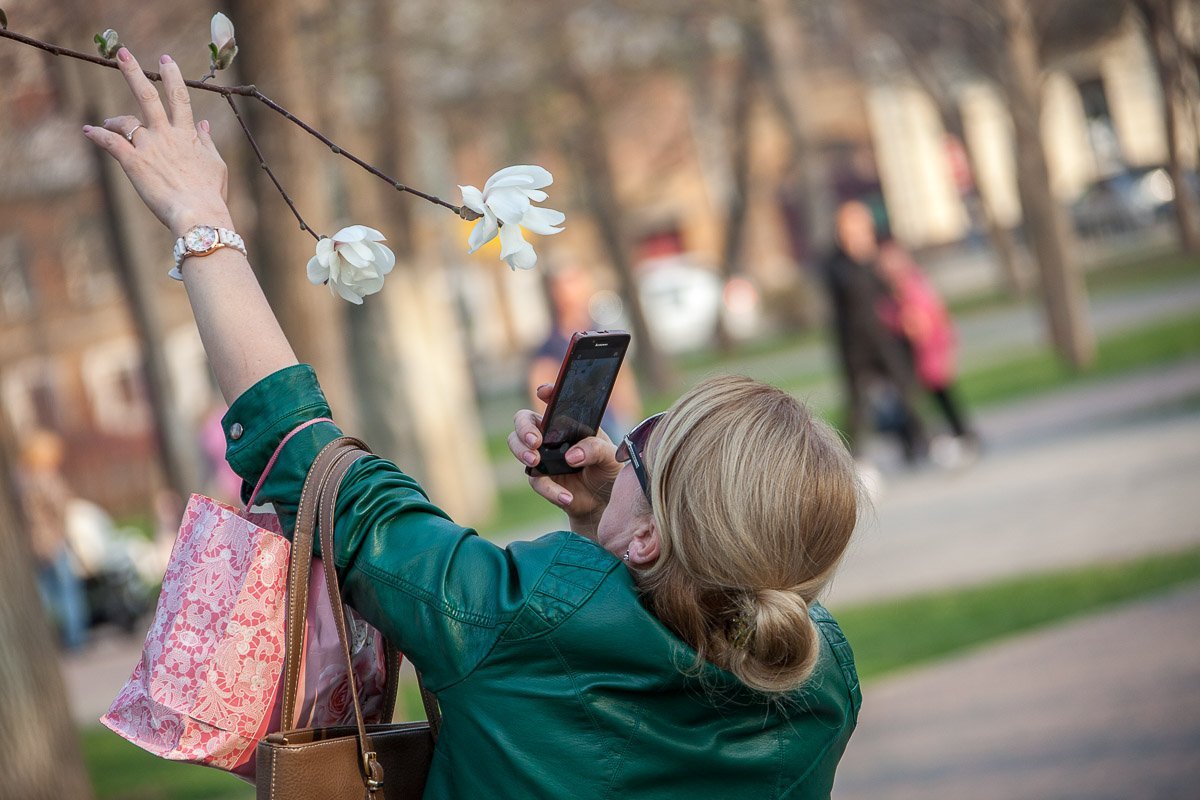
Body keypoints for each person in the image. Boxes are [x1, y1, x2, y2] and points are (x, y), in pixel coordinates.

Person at [83, 49, 862, 798]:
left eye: (641, 450)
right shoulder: (825, 683)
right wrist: (611, 528)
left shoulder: (518, 617)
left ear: (655, 537)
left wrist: (201, 219)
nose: (616, 460)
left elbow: (312, 463)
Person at [822, 200, 926, 463]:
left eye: (859, 224)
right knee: (857, 402)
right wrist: (859, 256)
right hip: (855, 343)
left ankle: (916, 442)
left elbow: (898, 286)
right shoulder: (836, 263)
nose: (854, 232)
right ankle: (849, 456)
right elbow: (845, 292)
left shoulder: (880, 254)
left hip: (887, 337)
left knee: (904, 391)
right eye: (848, 226)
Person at [874, 238, 979, 465]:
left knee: (942, 396)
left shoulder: (913, 284)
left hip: (929, 352)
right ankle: (917, 443)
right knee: (912, 401)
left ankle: (963, 435)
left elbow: (926, 320)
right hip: (909, 356)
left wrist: (907, 323)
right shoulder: (888, 289)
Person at [528, 261, 642, 441]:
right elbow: (541, 396)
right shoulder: (550, 347)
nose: (571, 291)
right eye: (565, 284)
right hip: (575, 435)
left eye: (576, 281)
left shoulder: (603, 332)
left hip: (613, 427)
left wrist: (629, 418)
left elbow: (623, 381)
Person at [16, 429, 89, 651]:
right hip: (53, 540)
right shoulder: (46, 478)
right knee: (67, 589)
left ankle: (49, 638)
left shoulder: (19, 480)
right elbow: (61, 505)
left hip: (31, 544)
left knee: (45, 593)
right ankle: (75, 638)